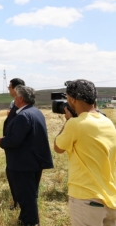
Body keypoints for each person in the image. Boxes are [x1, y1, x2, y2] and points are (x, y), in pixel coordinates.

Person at [54, 79, 116, 226]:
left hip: (86, 199)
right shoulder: (108, 122)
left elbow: (58, 147)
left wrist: (68, 121)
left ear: (72, 99)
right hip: (110, 197)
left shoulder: (75, 125)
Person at [0, 85, 54, 226]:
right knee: (29, 194)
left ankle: (30, 222)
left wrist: (2, 141)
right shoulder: (36, 112)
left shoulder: (23, 116)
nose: (14, 99)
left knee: (26, 196)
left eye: (15, 96)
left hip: (23, 164)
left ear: (21, 98)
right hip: (34, 161)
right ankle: (24, 219)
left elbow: (15, 140)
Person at [3, 77, 26, 210]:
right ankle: (17, 201)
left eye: (9, 87)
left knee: (16, 176)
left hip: (17, 146)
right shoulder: (16, 103)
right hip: (12, 145)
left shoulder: (20, 103)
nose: (8, 89)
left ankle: (21, 204)